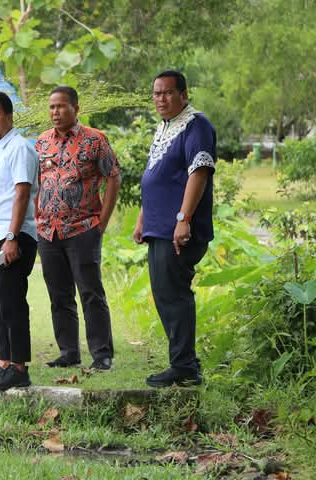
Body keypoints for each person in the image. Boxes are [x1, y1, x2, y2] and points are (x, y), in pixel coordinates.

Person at [133, 70, 216, 388]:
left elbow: (199, 172)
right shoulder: (166, 126)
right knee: (163, 294)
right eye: (156, 93)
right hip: (159, 228)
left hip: (179, 229)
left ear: (184, 94)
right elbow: (158, 175)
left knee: (174, 295)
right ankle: (185, 361)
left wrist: (184, 218)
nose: (161, 99)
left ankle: (183, 367)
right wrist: (143, 218)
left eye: (167, 92)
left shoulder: (197, 125)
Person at [35, 86, 121, 371]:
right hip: (48, 232)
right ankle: (68, 352)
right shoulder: (41, 142)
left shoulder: (95, 140)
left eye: (61, 106)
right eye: (52, 107)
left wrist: (102, 222)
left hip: (83, 228)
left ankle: (102, 354)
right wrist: (37, 215)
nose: (55, 112)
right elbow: (37, 182)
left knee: (90, 293)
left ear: (76, 108)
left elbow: (113, 177)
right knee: (59, 295)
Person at [0, 92, 39, 391]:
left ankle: (19, 368)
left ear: (9, 117)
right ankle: (4, 362)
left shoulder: (19, 148)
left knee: (12, 303)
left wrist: (11, 238)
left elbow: (21, 194)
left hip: (13, 237)